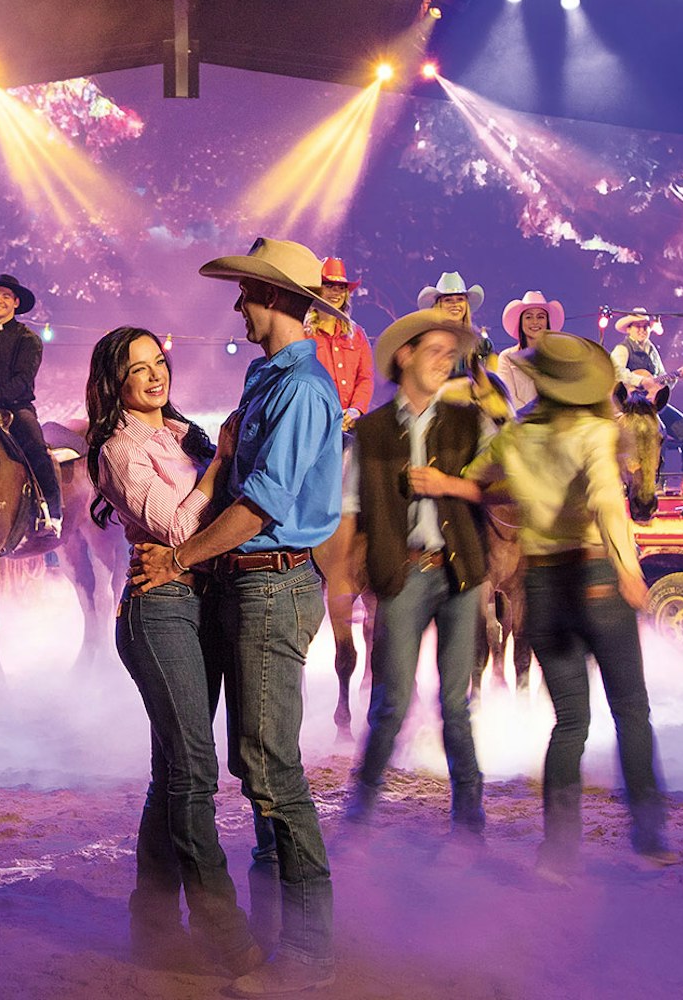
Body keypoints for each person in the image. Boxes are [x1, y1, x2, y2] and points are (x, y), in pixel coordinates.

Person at [132, 236, 343, 997]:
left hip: (270, 582)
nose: (239, 304)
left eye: (249, 294)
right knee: (258, 764)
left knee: (269, 768)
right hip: (252, 583)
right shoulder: (268, 378)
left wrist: (178, 559)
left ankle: (309, 955)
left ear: (278, 300)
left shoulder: (300, 389)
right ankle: (279, 936)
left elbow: (260, 506)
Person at [454, 332, 678, 885]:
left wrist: (441, 480)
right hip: (596, 576)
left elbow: (471, 480)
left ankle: (556, 853)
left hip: (545, 584)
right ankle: (648, 838)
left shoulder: (517, 437)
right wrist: (628, 568)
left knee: (569, 723)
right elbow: (607, 500)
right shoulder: (597, 431)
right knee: (630, 710)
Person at [85, 326, 263, 978]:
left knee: (173, 777)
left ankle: (152, 927)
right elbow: (182, 525)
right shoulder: (116, 449)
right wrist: (217, 468)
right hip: (158, 610)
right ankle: (225, 936)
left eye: (158, 362)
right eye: (138, 370)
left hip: (199, 605)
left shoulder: (184, 434)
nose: (155, 376)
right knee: (195, 771)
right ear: (116, 384)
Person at [341, 310, 490, 837]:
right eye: (436, 351)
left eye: (451, 354)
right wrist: (353, 575)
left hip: (460, 573)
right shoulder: (374, 430)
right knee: (391, 700)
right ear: (405, 355)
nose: (446, 361)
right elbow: (354, 508)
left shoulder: (470, 422)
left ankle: (469, 819)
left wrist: (449, 486)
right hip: (402, 573)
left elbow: (501, 487)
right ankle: (359, 811)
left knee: (456, 701)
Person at [0, 273, 62, 539]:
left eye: (6, 296)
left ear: (16, 303)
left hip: (16, 407)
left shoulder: (28, 339)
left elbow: (23, 380)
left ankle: (50, 514)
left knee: (36, 447)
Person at [610, 308, 683, 491]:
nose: (642, 330)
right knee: (659, 432)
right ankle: (656, 483)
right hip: (631, 408)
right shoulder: (622, 349)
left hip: (652, 406)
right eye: (638, 326)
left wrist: (674, 378)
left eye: (645, 326)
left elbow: (659, 381)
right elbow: (616, 371)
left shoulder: (652, 351)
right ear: (629, 329)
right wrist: (640, 380)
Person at [420, 270, 513, 424]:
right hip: (438, 417)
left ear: (466, 304)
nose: (455, 304)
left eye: (460, 299)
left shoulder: (482, 345)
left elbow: (493, 384)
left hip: (477, 418)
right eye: (449, 300)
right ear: (439, 304)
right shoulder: (428, 345)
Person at [307, 256, 373, 431]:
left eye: (341, 288)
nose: (335, 292)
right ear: (316, 290)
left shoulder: (357, 334)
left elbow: (365, 378)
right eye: (328, 286)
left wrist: (355, 409)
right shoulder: (302, 334)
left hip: (349, 425)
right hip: (314, 424)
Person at [496, 290, 564, 414]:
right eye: (528, 317)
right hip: (520, 426)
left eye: (540, 317)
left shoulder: (557, 357)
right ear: (520, 322)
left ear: (547, 322)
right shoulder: (507, 357)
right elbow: (507, 397)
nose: (535, 322)